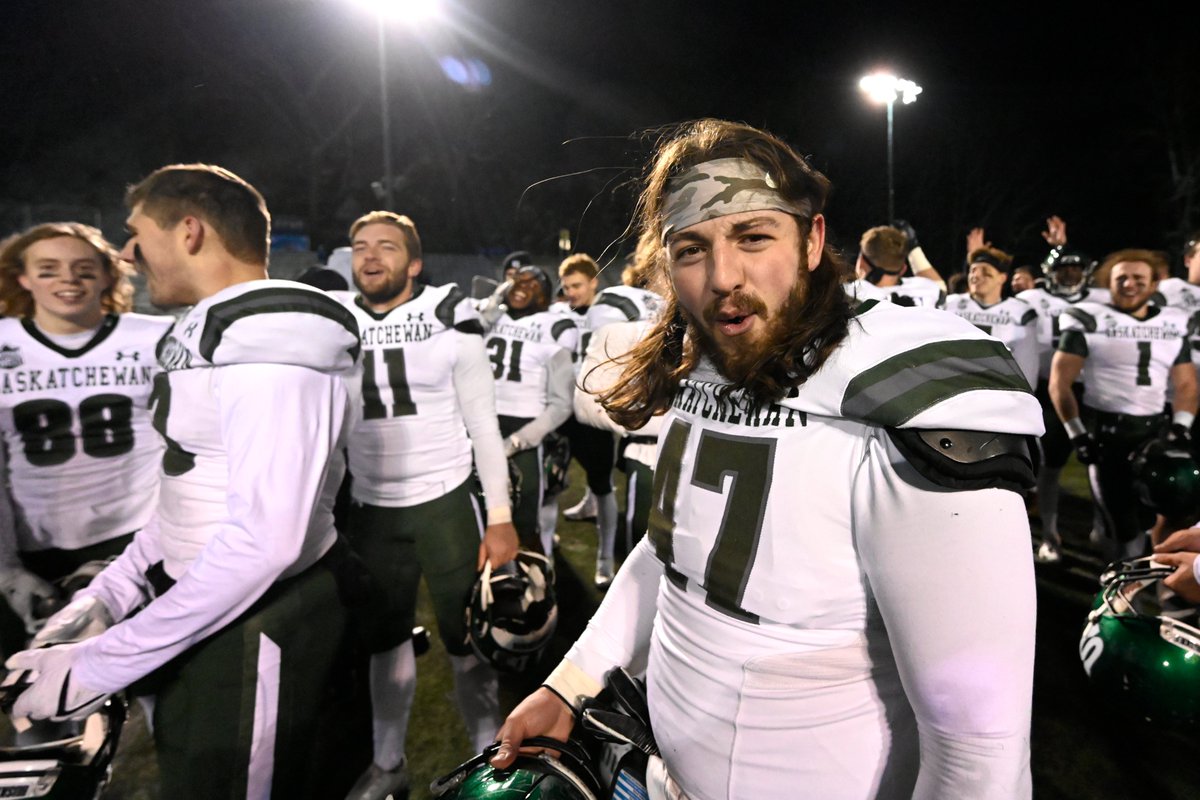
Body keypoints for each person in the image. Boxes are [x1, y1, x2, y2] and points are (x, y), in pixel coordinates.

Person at [493, 119, 1042, 799]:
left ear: (812, 241)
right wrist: (571, 683)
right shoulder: (706, 368)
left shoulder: (902, 396)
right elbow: (673, 556)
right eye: (692, 248)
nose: (725, 277)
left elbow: (977, 750)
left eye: (753, 236)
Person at [6, 164, 361, 799]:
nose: (127, 253)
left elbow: (268, 541)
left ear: (189, 231)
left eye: (137, 233)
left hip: (255, 614)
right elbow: (188, 489)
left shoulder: (270, 327)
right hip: (203, 598)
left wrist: (97, 664)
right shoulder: (206, 323)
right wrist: (113, 591)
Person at [331, 211, 519, 800]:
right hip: (370, 509)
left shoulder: (447, 312)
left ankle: (489, 760)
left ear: (413, 263)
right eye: (360, 247)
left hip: (443, 503)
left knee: (470, 645)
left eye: (385, 247)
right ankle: (389, 764)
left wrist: (501, 517)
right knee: (382, 644)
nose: (370, 257)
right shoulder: (334, 324)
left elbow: (483, 424)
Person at [0, 223, 172, 655]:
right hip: (34, 539)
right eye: (48, 269)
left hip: (134, 532)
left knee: (133, 675)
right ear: (22, 277)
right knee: (32, 687)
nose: (68, 281)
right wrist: (5, 566)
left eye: (83, 269)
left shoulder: (154, 336)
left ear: (108, 275)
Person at [1050, 249, 1198, 561]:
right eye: (1122, 278)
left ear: (1154, 284)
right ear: (1109, 282)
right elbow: (1059, 382)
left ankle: (1155, 588)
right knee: (1123, 528)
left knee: (1168, 514)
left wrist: (1181, 425)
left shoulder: (1172, 322)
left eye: (1138, 278)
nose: (1130, 284)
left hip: (1154, 432)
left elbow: (1186, 383)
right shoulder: (1090, 318)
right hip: (1107, 434)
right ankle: (1117, 595)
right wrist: (1076, 432)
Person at [1017, 216, 1111, 563]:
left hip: (1091, 389)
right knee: (1050, 466)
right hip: (1047, 390)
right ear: (1049, 272)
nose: (1069, 275)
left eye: (1075, 269)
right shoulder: (1032, 298)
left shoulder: (1104, 298)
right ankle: (1052, 534)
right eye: (1062, 269)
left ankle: (1104, 524)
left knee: (1096, 463)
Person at [484, 264, 577, 555]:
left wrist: (516, 441)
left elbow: (561, 404)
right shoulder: (489, 317)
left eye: (531, 282)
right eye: (516, 280)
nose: (521, 286)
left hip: (522, 429)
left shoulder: (555, 326)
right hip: (477, 424)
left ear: (546, 293)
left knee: (524, 522)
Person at [553, 254, 622, 587]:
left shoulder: (612, 313)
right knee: (553, 481)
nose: (571, 292)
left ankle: (605, 558)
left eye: (577, 285)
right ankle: (548, 546)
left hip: (593, 412)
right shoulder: (561, 312)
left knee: (602, 483)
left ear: (594, 282)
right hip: (563, 409)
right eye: (566, 286)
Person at [944, 244, 1040, 386]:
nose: (976, 276)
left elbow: (1027, 364)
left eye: (985, 271)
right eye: (973, 270)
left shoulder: (1020, 312)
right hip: (953, 385)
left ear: (1001, 278)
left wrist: (1025, 394)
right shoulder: (949, 305)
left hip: (997, 387)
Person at [845, 223, 945, 308]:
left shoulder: (852, 294)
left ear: (861, 262)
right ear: (903, 269)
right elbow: (941, 288)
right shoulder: (928, 290)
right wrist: (913, 248)